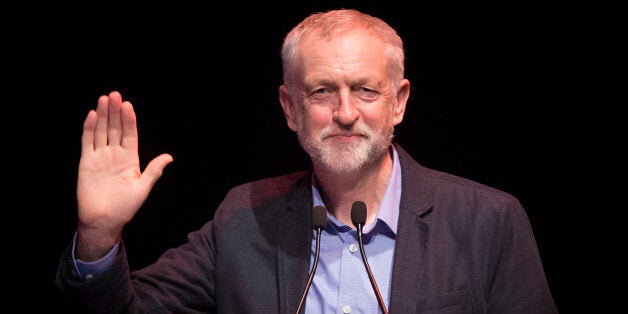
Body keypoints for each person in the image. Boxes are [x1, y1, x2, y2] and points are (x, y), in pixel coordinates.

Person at [56, 8, 558, 313]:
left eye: (364, 90)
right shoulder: (243, 219)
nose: (344, 113)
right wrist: (98, 237)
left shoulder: (489, 222)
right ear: (290, 108)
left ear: (399, 102)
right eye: (321, 92)